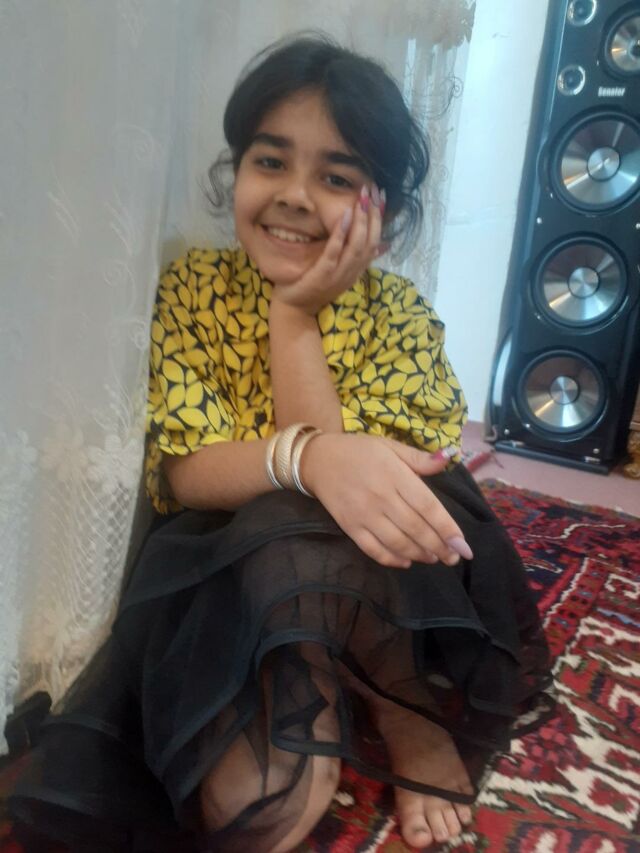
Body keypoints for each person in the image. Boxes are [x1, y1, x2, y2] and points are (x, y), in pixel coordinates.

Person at [9, 33, 554, 853]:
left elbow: (362, 503)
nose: (295, 196)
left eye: (336, 178)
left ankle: (400, 701)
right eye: (271, 162)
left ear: (385, 216)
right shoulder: (194, 286)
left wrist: (296, 320)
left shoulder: (400, 315)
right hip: (229, 563)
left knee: (329, 515)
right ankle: (303, 674)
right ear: (236, 172)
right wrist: (302, 457)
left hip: (384, 571)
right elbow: (185, 472)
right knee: (253, 809)